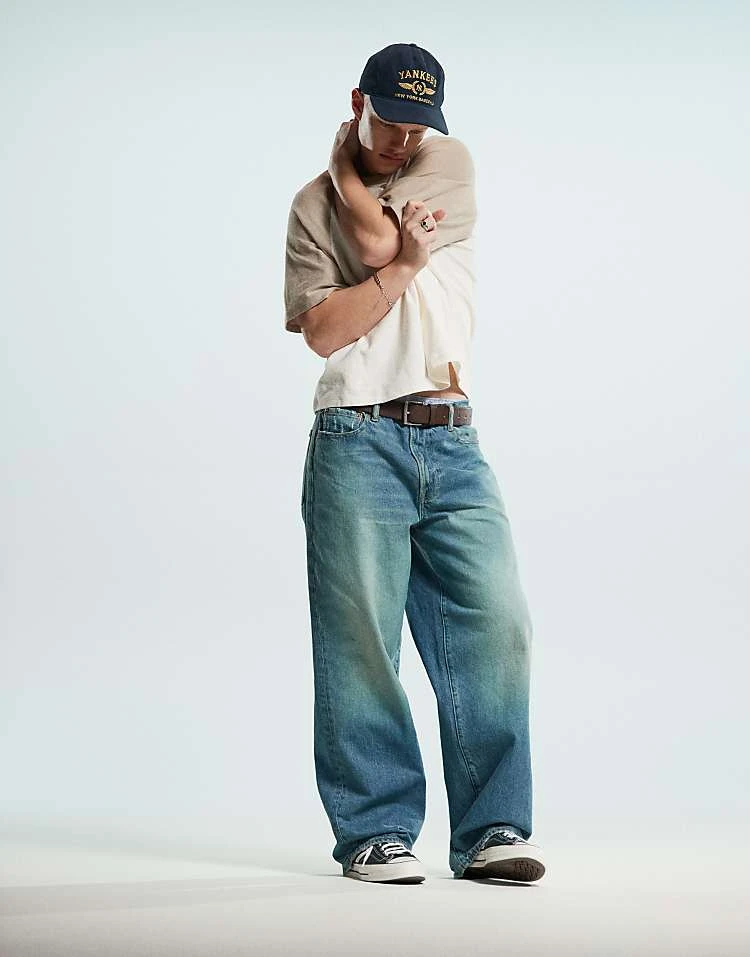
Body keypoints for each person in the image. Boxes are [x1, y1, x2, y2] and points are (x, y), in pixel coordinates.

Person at [283, 42, 545, 885]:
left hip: (454, 436)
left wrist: (346, 172)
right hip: (355, 435)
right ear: (359, 101)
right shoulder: (308, 207)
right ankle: (375, 831)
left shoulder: (446, 162)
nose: (403, 140)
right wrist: (403, 262)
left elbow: (368, 240)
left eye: (416, 125)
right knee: (361, 640)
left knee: (496, 623)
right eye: (390, 121)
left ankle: (491, 830)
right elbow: (324, 331)